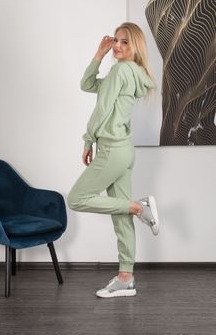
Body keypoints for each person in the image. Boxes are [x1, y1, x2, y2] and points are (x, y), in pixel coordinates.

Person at [67, 22, 159, 298]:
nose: (117, 46)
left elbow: (103, 109)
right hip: (124, 150)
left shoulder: (120, 70)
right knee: (120, 217)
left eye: (124, 42)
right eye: (115, 41)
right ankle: (125, 278)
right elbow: (87, 84)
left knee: (76, 199)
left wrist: (87, 140)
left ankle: (138, 206)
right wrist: (99, 53)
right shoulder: (133, 73)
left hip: (111, 149)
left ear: (135, 47)